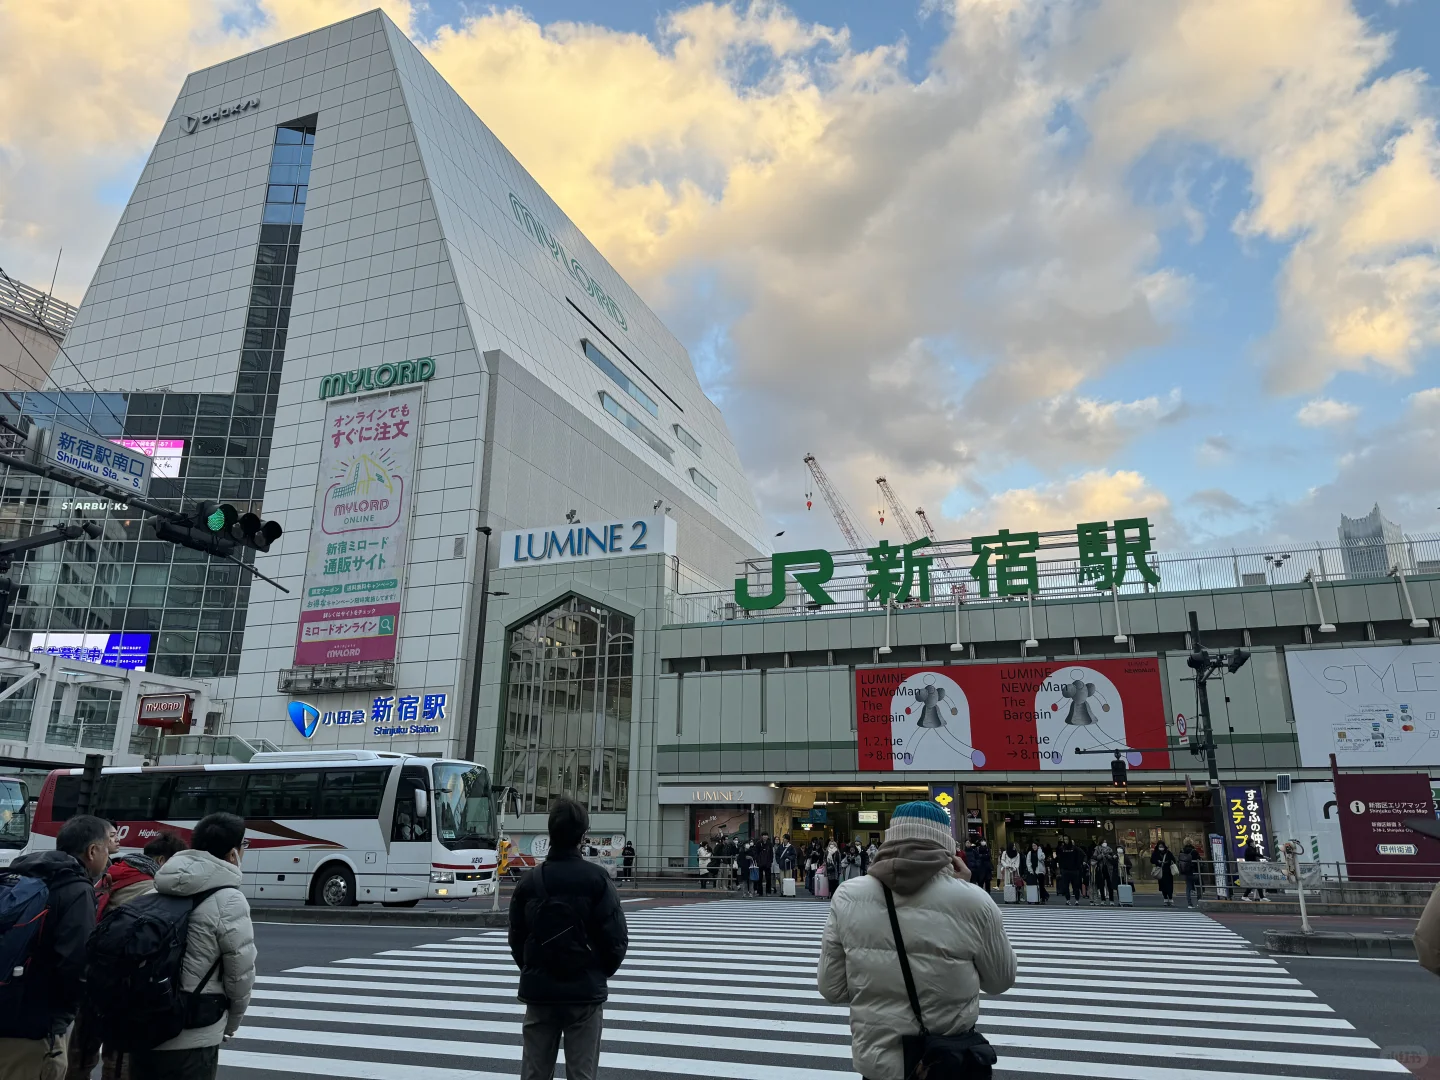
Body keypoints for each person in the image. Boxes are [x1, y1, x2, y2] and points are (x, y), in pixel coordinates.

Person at [818, 801, 1017, 1080]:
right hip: (946, 1062)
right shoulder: (973, 901)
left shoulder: (848, 896)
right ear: (946, 847)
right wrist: (965, 888)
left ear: (891, 838)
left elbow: (832, 988)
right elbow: (1000, 981)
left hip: (878, 1065)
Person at [125, 812, 255, 1080]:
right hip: (194, 1032)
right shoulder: (230, 900)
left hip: (144, 1026)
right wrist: (230, 1025)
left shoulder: (155, 888)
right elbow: (239, 973)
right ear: (233, 854)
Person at [510, 797, 629, 1080]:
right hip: (584, 993)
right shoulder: (597, 879)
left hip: (540, 991)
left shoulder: (529, 882)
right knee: (582, 1074)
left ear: (551, 833)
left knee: (534, 1073)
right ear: (583, 836)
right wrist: (595, 970)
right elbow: (616, 941)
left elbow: (517, 941)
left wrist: (537, 966)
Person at [0, 815, 110, 1080]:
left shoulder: (15, 875)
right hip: (34, 1027)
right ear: (92, 851)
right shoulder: (75, 889)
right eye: (108, 846)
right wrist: (64, 1015)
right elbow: (76, 962)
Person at [1056, 837, 1085, 906]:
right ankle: (1068, 900)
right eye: (1064, 839)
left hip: (1074, 870)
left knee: (1076, 886)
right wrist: (1061, 868)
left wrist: (1078, 865)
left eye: (1066, 839)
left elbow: (1082, 855)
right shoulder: (1062, 848)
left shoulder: (1075, 848)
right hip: (1065, 870)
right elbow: (1059, 857)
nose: (1065, 841)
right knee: (1066, 886)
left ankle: (1077, 900)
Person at [1151, 841, 1177, 906]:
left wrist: (1168, 862)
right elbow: (1152, 860)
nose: (1161, 848)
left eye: (1162, 846)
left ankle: (1170, 898)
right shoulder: (1155, 853)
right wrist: (1157, 861)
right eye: (1160, 846)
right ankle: (1165, 898)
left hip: (1168, 872)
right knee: (1163, 886)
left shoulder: (1168, 853)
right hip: (1160, 872)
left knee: (1169, 886)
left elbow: (1174, 860)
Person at [1178, 842, 1202, 908]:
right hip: (1195, 871)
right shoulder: (1194, 851)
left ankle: (1189, 903)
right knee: (1198, 887)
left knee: (1188, 888)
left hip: (1186, 872)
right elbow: (1198, 860)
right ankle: (1199, 901)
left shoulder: (1182, 851)